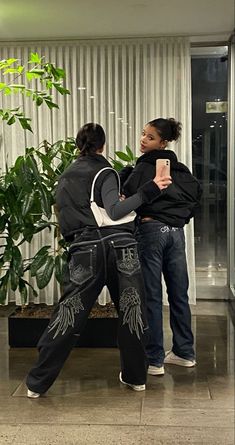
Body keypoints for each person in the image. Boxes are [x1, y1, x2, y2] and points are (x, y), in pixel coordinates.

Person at [26, 122, 172, 397]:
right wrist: (152, 188)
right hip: (121, 247)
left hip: (84, 249)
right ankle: (136, 377)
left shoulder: (65, 177)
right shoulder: (104, 171)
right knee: (131, 311)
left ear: (78, 144)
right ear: (102, 145)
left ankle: (37, 383)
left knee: (68, 316)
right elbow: (115, 212)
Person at [122, 118, 202, 376]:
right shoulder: (181, 170)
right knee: (179, 293)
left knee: (152, 296)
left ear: (163, 142)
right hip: (176, 234)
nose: (143, 140)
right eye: (144, 135)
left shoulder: (144, 165)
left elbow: (129, 194)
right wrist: (178, 218)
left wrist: (125, 175)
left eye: (150, 137)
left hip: (151, 230)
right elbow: (194, 197)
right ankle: (184, 352)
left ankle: (154, 359)